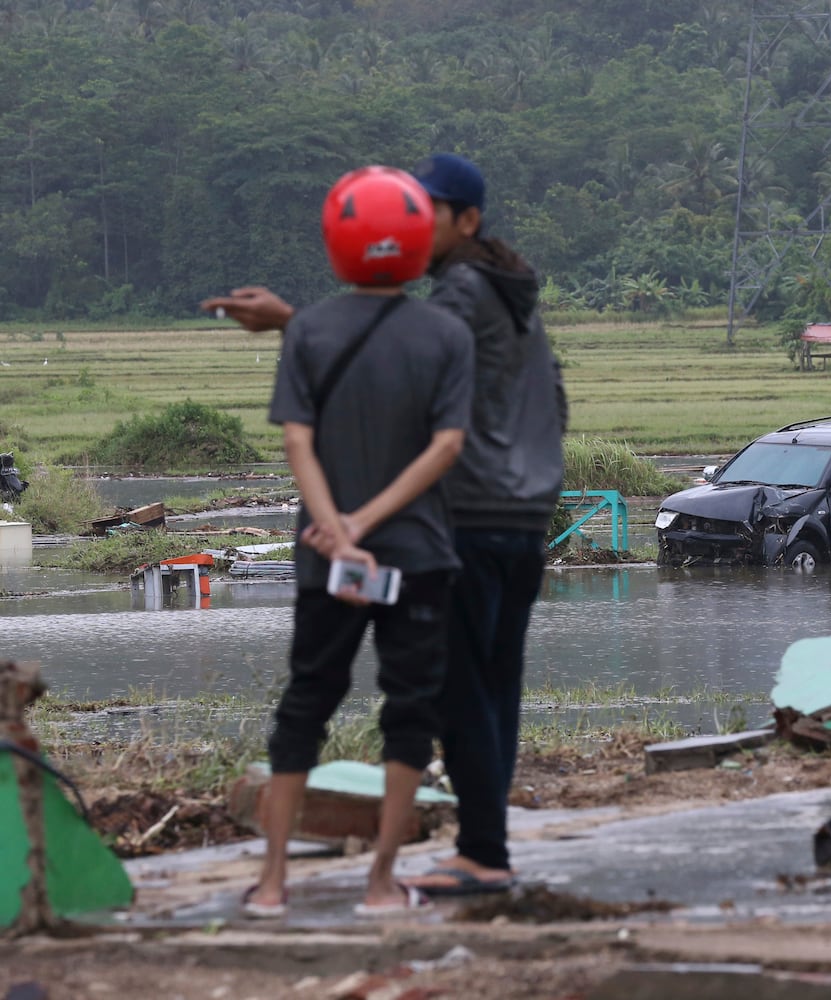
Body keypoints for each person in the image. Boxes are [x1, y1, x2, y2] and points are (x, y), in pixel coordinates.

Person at [206, 153, 567, 897]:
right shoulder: (505, 285)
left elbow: (392, 352)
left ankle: (482, 853)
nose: (405, 217)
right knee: (496, 685)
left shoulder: (461, 292)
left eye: (423, 208)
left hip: (468, 513)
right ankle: (486, 848)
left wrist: (291, 324)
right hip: (526, 510)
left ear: (465, 221)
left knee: (460, 693)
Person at [241, 165, 475, 919]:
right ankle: (380, 883)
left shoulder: (307, 329)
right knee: (409, 708)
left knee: (306, 699)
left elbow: (296, 440)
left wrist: (338, 531)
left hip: (327, 556)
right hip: (418, 556)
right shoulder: (445, 331)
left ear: (334, 242)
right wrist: (370, 525)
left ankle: (273, 883)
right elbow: (445, 449)